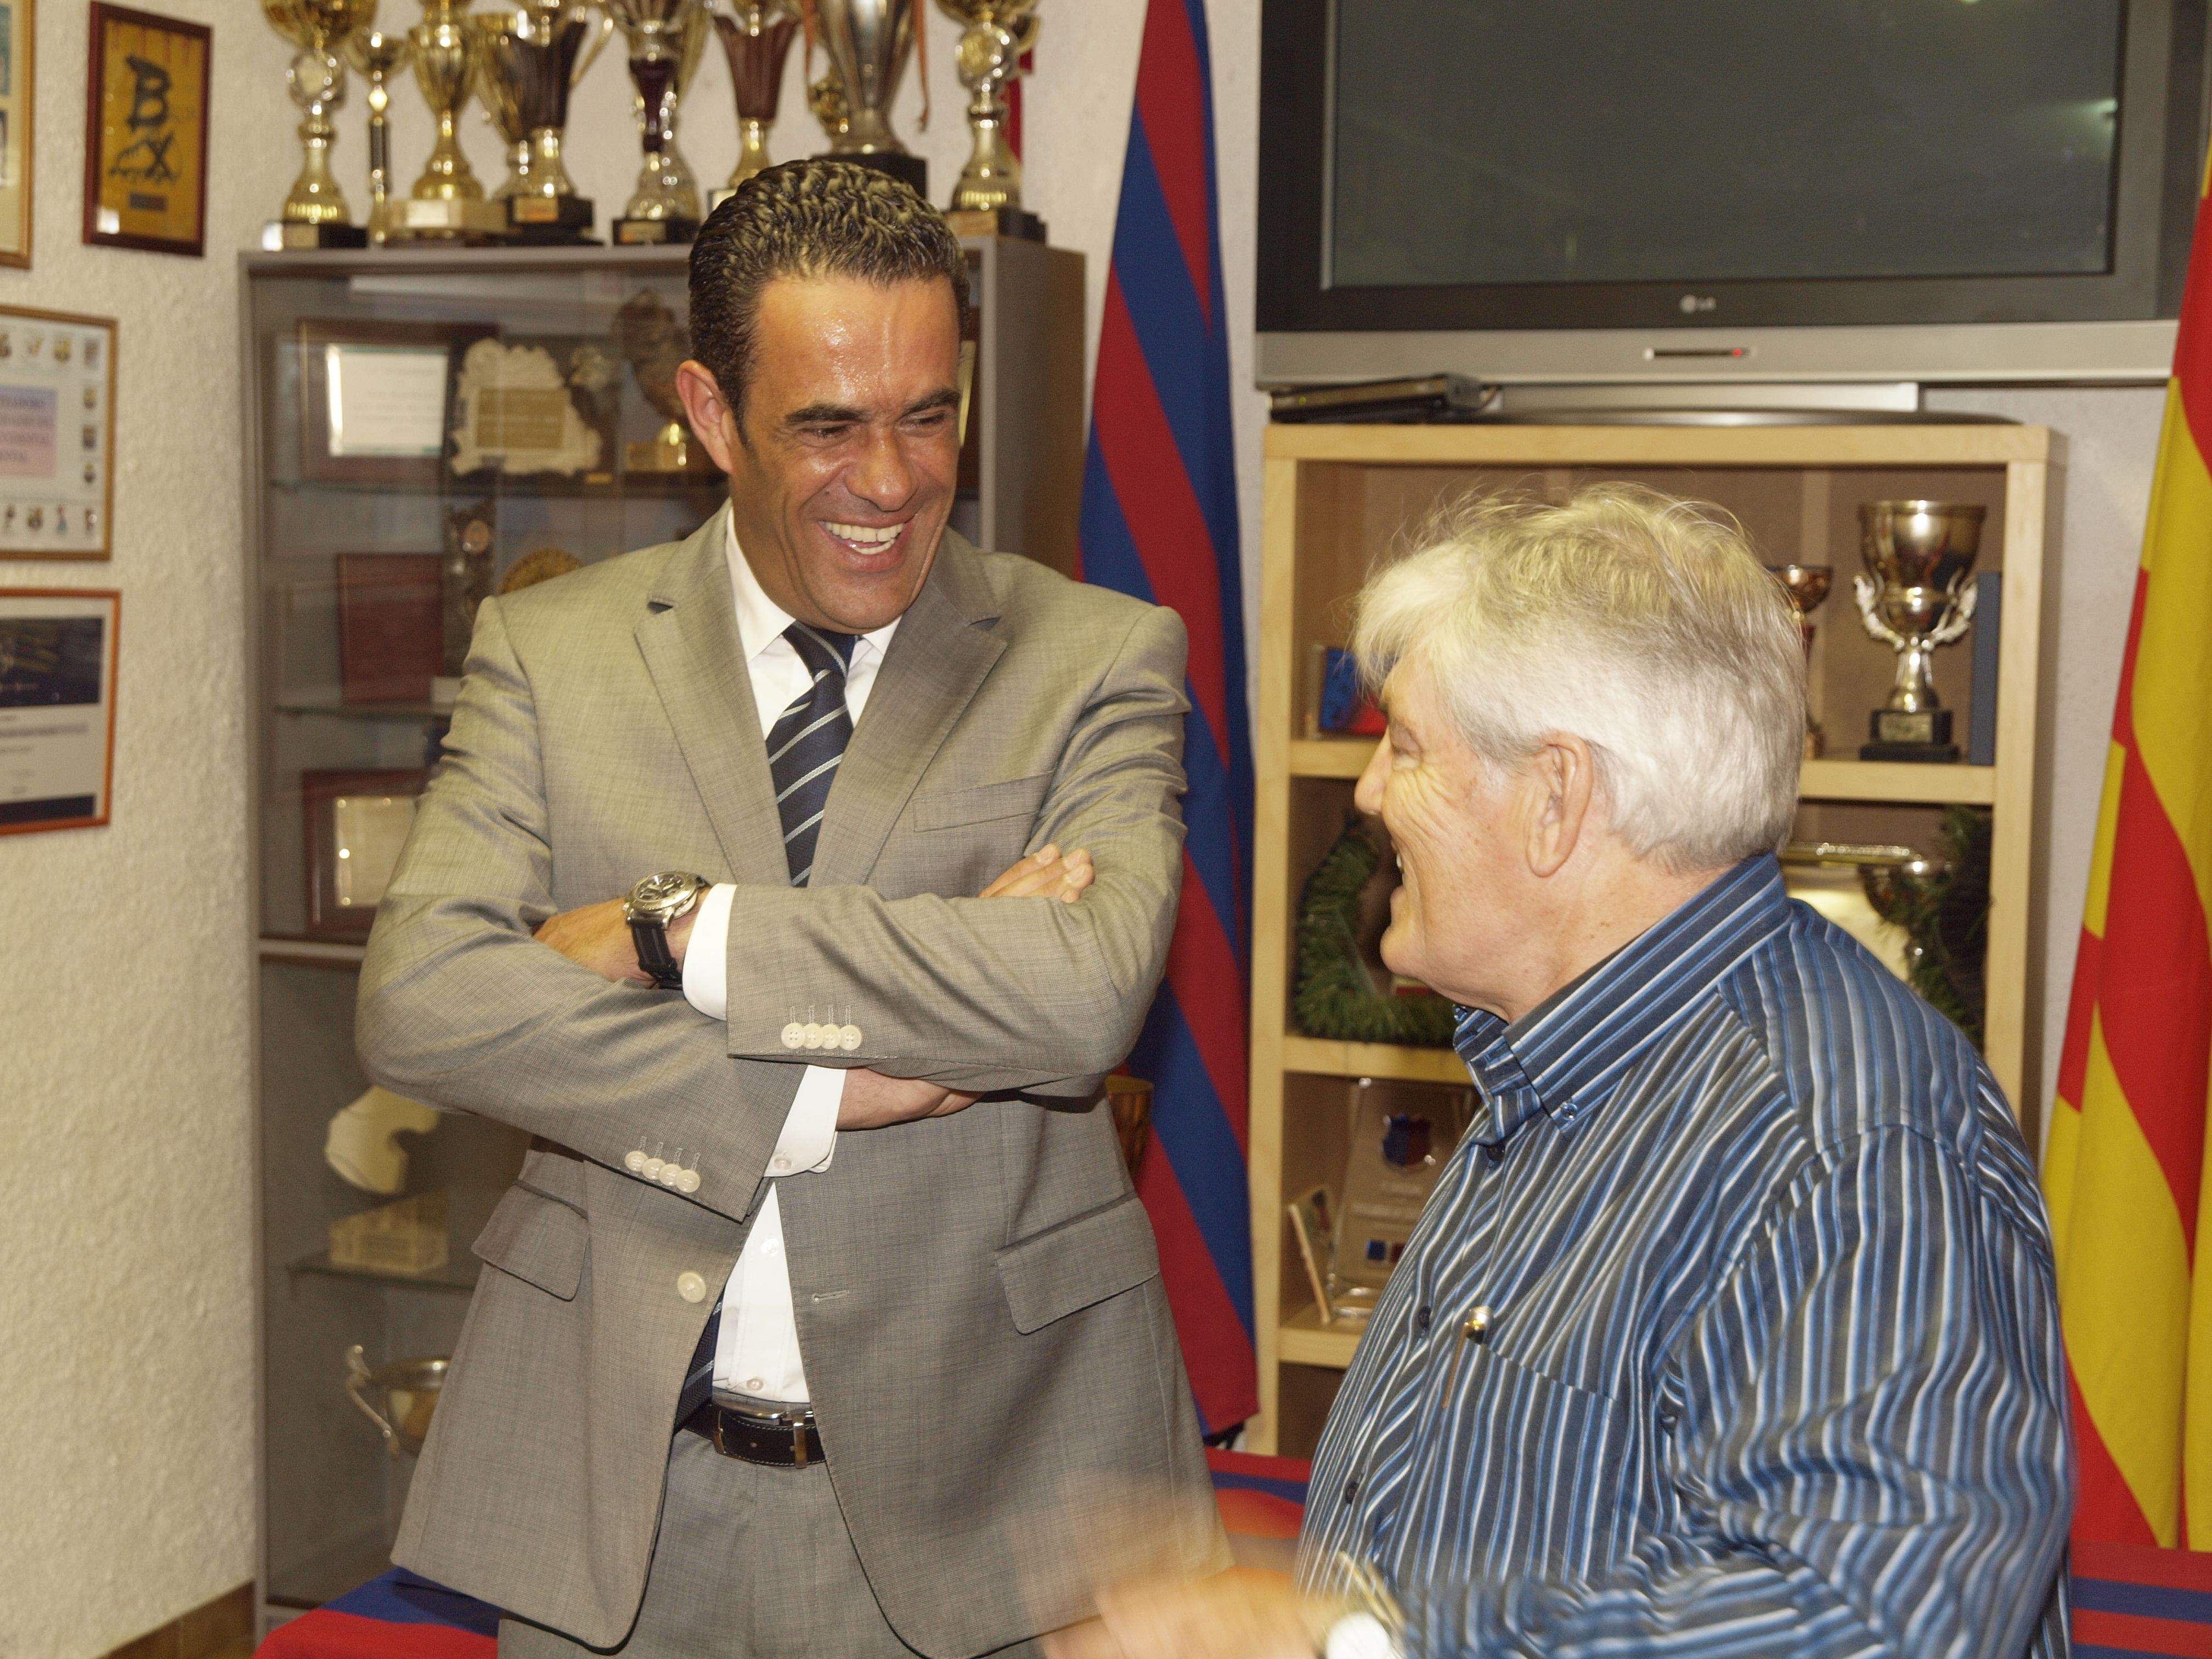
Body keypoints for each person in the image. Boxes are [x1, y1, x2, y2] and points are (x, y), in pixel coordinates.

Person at [356, 160, 1223, 1659]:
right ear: (707, 415)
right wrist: (824, 1092)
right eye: (827, 425)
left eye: (927, 414)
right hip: (619, 1509)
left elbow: (1082, 993)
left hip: (997, 1511)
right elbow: (426, 997)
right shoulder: (552, 653)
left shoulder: (1095, 656)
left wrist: (679, 930)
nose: (889, 481)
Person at [1052, 486, 2072, 1659]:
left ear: (1556, 799)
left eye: (1410, 747)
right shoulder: (1567, 1063)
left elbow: (1873, 1627)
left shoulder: (1842, 1145)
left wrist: (1356, 1646)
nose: (1373, 792)